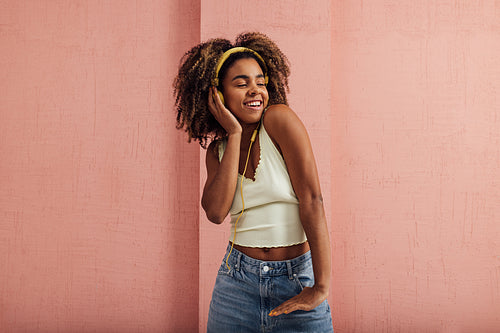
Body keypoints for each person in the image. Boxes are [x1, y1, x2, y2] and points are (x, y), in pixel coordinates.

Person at [174, 32, 333, 332]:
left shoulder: (280, 120)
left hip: (295, 277)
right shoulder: (218, 152)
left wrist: (321, 286)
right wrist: (233, 134)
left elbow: (313, 200)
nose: (255, 90)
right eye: (241, 83)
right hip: (236, 284)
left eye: (260, 82)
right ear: (217, 95)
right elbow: (216, 213)